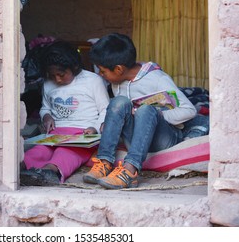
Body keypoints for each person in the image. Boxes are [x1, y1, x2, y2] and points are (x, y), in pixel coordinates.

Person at [83, 33, 197, 189]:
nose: (100, 75)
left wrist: (156, 115)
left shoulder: (157, 79)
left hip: (164, 138)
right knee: (118, 102)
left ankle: (129, 170)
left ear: (118, 69)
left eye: (103, 72)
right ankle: (104, 162)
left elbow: (189, 110)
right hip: (136, 137)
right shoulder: (117, 83)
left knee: (146, 110)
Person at [20, 40, 110, 186]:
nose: (57, 79)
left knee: (66, 152)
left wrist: (95, 128)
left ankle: (48, 172)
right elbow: (45, 107)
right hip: (55, 135)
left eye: (61, 74)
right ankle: (21, 170)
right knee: (39, 151)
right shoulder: (48, 83)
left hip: (83, 136)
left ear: (74, 67)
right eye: (52, 75)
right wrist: (47, 116)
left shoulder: (93, 81)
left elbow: (106, 109)